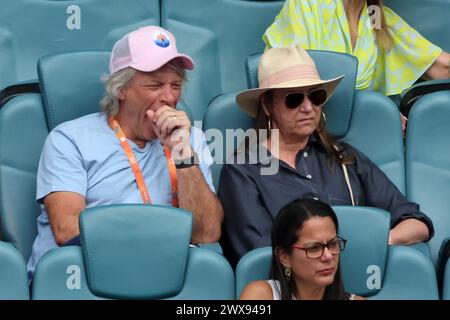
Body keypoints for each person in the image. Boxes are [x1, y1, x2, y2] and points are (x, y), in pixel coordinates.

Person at [27, 26, 223, 276]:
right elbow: (68, 229)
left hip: (165, 276)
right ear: (120, 89)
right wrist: (159, 242)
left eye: (176, 85)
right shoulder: (69, 138)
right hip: (90, 276)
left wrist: (183, 156)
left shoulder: (190, 139)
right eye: (155, 85)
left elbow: (207, 232)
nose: (169, 97)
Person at [218, 45, 434, 267]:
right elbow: (260, 255)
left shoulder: (344, 158)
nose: (308, 107)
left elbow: (417, 222)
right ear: (267, 104)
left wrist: (380, 242)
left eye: (316, 96)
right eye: (293, 99)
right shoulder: (242, 170)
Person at [263, 0, 450, 130]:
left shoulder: (376, 17)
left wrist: (382, 115)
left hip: (362, 138)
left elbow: (443, 67)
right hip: (306, 133)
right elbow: (291, 87)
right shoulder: (307, 5)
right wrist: (375, 113)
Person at [240, 199, 362, 300]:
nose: (328, 256)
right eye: (314, 248)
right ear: (284, 256)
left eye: (333, 244)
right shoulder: (261, 294)